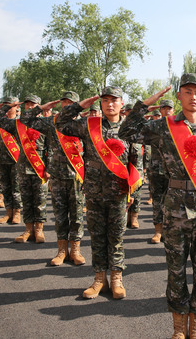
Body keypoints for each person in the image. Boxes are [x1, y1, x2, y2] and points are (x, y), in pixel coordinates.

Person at [118, 74, 196, 338]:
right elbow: (126, 131)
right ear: (179, 96)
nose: (193, 97)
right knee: (175, 271)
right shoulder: (164, 127)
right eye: (187, 92)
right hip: (175, 208)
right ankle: (179, 328)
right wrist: (143, 105)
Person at [56, 86, 138, 300]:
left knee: (117, 237)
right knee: (98, 237)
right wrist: (79, 106)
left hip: (119, 193)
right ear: (100, 104)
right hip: (93, 190)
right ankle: (99, 279)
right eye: (105, 100)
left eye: (114, 100)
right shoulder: (89, 125)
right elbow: (61, 124)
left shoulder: (129, 129)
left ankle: (117, 279)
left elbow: (135, 164)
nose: (110, 104)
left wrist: (132, 194)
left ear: (121, 103)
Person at [21, 91, 86, 266]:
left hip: (77, 177)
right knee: (60, 215)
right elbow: (25, 120)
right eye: (64, 102)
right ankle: (61, 251)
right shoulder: (52, 122)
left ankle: (76, 250)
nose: (67, 106)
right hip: (57, 176)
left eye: (71, 103)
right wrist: (41, 108)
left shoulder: (85, 124)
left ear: (76, 105)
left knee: (77, 215)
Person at [0, 95, 49, 242]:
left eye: (33, 105)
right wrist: (8, 107)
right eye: (28, 105)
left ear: (39, 106)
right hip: (23, 167)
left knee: (40, 200)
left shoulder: (45, 123)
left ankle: (39, 230)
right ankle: (28, 229)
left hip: (40, 168)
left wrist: (49, 168)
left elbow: (52, 148)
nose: (30, 107)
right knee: (27, 199)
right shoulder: (17, 124)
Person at [146, 99, 175, 243]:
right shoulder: (153, 127)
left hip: (174, 171)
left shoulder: (180, 126)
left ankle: (169, 230)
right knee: (157, 200)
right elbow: (132, 127)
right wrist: (145, 109)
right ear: (160, 110)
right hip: (156, 169)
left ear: (173, 110)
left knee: (173, 201)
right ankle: (158, 231)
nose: (167, 111)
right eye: (164, 108)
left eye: (169, 108)